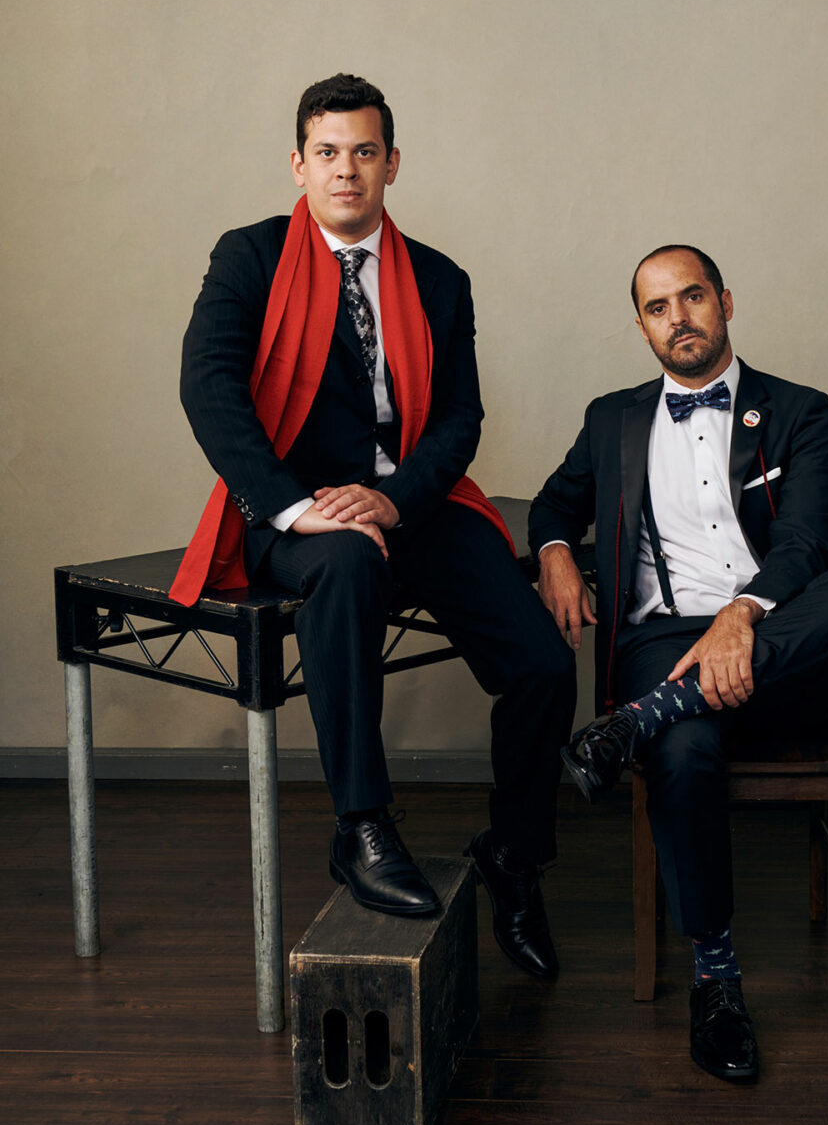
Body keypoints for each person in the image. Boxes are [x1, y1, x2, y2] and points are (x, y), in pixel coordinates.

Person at [173, 73, 575, 979]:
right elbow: (209, 388)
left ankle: (513, 856)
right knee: (349, 566)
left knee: (544, 666)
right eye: (327, 153)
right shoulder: (249, 257)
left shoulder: (439, 278)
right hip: (296, 511)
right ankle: (360, 826)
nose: (345, 170)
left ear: (392, 164)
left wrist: (397, 500)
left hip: (413, 503)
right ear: (299, 164)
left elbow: (460, 418)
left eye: (364, 152)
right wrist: (295, 506)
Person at [529, 244, 828, 1080]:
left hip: (782, 641)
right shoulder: (612, 418)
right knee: (685, 754)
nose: (678, 318)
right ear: (642, 327)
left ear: (725, 301)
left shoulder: (800, 409)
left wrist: (741, 615)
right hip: (662, 640)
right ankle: (716, 981)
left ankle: (635, 722)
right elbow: (554, 503)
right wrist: (554, 552)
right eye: (658, 308)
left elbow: (807, 542)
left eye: (692, 297)